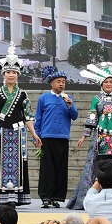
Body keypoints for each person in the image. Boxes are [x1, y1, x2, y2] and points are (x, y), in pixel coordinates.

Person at [0, 43, 41, 206]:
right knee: (0, 162)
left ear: (18, 75)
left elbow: (28, 116)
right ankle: (1, 196)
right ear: (3, 74)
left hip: (18, 133)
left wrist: (34, 134)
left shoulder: (22, 94)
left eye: (14, 72)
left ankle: (15, 197)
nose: (11, 75)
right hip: (1, 132)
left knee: (18, 162)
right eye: (8, 72)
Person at [68, 61, 112, 210]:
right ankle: (95, 195)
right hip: (100, 136)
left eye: (111, 82)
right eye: (106, 82)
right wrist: (84, 136)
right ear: (101, 84)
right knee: (98, 164)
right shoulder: (96, 99)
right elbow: (92, 118)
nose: (108, 84)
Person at [34, 65, 78, 208]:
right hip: (47, 137)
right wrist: (36, 136)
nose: (61, 84)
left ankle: (57, 197)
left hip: (63, 137)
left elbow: (75, 116)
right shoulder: (44, 98)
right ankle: (46, 197)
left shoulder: (68, 98)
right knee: (47, 168)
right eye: (58, 81)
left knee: (61, 168)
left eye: (63, 82)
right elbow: (38, 118)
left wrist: (70, 105)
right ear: (51, 83)